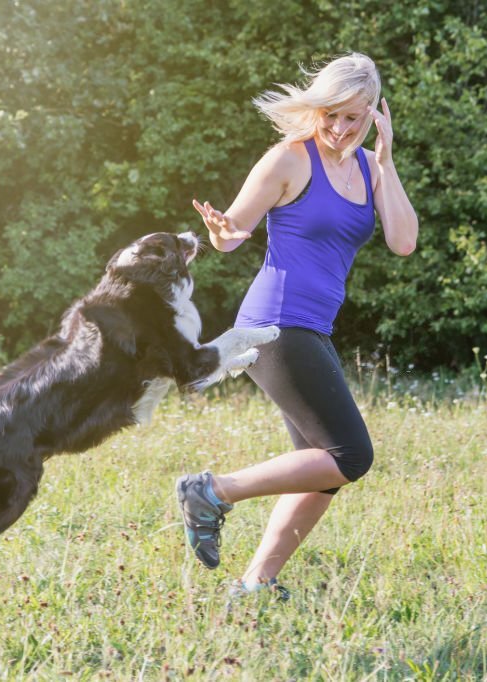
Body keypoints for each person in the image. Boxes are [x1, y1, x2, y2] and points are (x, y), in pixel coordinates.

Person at [176, 52, 418, 600]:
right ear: (317, 109)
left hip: (314, 327)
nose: (338, 128)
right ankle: (210, 491)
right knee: (351, 456)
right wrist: (220, 231)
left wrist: (386, 159)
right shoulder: (289, 159)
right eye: (330, 114)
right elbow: (232, 233)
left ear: (373, 115)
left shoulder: (367, 168)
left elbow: (403, 242)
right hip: (275, 325)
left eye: (352, 118)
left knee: (321, 469)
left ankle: (257, 585)